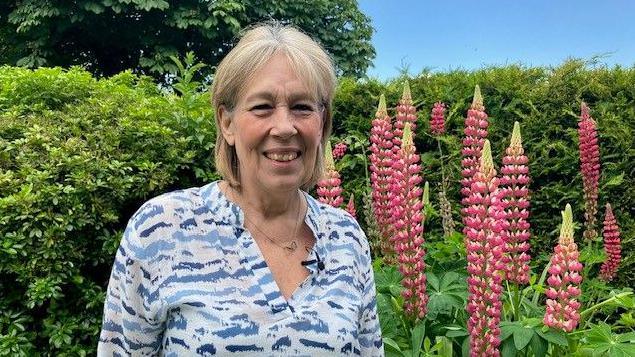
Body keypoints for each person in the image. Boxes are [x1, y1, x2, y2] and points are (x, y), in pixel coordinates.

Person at [97, 23, 383, 356]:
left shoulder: (345, 237)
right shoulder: (161, 228)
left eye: (302, 107)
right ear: (227, 123)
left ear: (323, 124)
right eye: (262, 106)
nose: (284, 127)